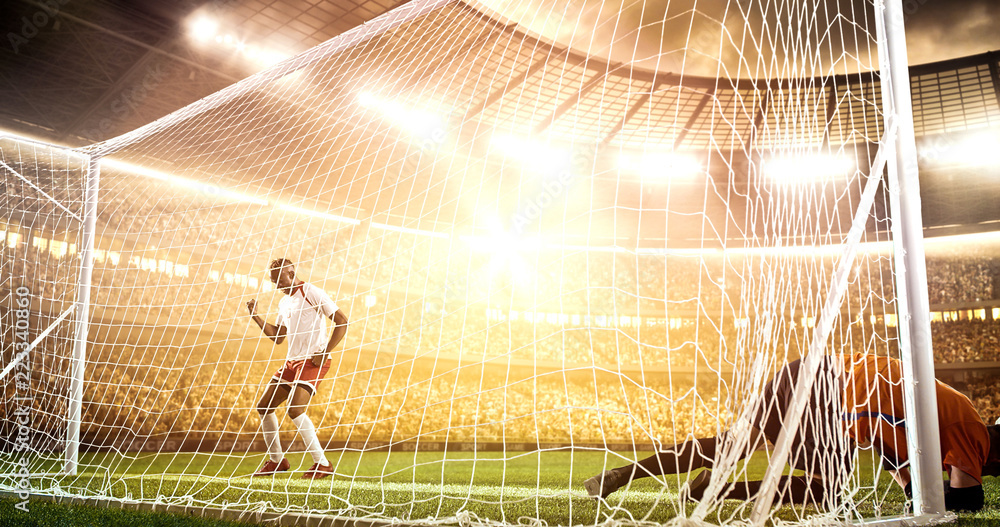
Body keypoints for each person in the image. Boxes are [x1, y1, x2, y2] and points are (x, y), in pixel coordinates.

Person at [584, 353, 1000, 512]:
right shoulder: (972, 429)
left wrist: (915, 490)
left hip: (807, 372)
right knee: (827, 491)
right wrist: (965, 490)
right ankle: (717, 492)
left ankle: (625, 474)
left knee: (732, 444)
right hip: (830, 391)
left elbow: (908, 483)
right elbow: (968, 497)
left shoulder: (927, 427)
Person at [246, 258, 348, 479]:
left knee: (295, 410)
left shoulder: (311, 292)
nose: (277, 286)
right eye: (274, 282)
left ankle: (322, 463)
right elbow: (278, 337)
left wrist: (325, 351)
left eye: (279, 280)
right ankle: (277, 461)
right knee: (264, 407)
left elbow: (342, 321)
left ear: (291, 273)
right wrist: (256, 317)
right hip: (292, 361)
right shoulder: (284, 303)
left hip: (313, 360)